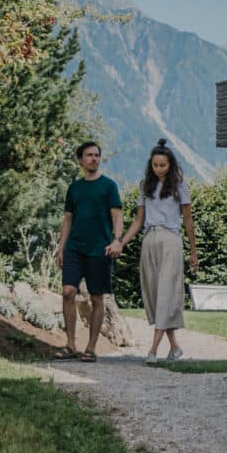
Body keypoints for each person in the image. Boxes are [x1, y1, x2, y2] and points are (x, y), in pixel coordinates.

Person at [116, 139, 197, 364]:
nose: (159, 169)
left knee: (165, 292)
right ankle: (175, 347)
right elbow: (138, 220)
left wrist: (193, 252)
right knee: (155, 293)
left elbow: (188, 220)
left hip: (171, 240)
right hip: (149, 240)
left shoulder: (180, 186)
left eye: (163, 165)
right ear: (151, 165)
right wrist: (121, 242)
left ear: (170, 164)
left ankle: (152, 350)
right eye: (155, 165)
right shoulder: (145, 186)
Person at [55, 140, 123, 362]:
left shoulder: (109, 186)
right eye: (89, 155)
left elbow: (117, 216)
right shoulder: (74, 188)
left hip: (99, 250)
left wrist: (117, 240)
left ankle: (91, 348)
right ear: (81, 160)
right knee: (68, 292)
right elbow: (67, 219)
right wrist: (61, 248)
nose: (94, 158)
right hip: (74, 248)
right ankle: (70, 344)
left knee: (96, 298)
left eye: (97, 155)